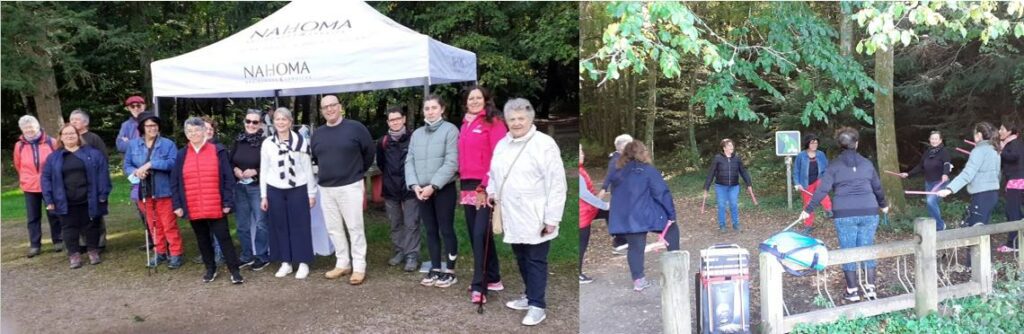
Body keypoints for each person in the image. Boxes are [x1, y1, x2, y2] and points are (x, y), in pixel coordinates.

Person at [487, 98, 566, 326]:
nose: (517, 123)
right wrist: (492, 192)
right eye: (512, 119)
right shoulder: (502, 144)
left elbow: (557, 184)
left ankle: (537, 305)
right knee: (520, 256)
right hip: (511, 213)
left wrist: (552, 218)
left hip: (536, 214)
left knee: (535, 259)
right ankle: (529, 294)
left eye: (521, 118)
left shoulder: (544, 144)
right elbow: (494, 174)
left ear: (530, 119)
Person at [801, 127, 888, 302]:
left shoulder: (834, 166)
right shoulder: (867, 164)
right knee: (867, 247)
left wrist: (808, 209)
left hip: (844, 214)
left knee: (848, 250)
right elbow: (877, 188)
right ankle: (870, 289)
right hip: (869, 212)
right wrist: (883, 205)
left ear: (840, 145)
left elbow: (822, 189)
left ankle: (853, 291)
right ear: (857, 143)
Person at [170, 117, 244, 284]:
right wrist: (177, 205)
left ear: (204, 131)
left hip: (216, 206)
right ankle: (210, 269)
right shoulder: (182, 155)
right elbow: (174, 182)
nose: (193, 134)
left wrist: (227, 202)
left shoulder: (218, 151)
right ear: (186, 134)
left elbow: (228, 179)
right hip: (193, 205)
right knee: (202, 240)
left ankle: (235, 270)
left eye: (196, 130)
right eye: (189, 131)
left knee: (224, 238)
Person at [310, 95, 375, 285]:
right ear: (322, 111)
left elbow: (369, 153)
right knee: (334, 229)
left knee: (355, 228)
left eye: (333, 105)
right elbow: (315, 158)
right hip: (326, 188)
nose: (329, 110)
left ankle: (359, 266)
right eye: (325, 107)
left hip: (350, 186)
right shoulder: (318, 134)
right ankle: (343, 263)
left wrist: (357, 172)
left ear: (340, 107)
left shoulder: (356, 128)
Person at [607, 140, 679, 292]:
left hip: (627, 217)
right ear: (643, 153)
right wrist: (671, 214)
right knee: (672, 230)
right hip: (645, 213)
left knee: (635, 248)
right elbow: (661, 193)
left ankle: (638, 280)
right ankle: (676, 268)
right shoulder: (647, 171)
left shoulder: (617, 172)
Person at [458, 86, 507, 303]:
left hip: (485, 185)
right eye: (471, 98)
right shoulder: (465, 123)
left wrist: (486, 185)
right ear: (466, 102)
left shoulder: (493, 122)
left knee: (480, 235)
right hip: (467, 184)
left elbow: (499, 155)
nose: (475, 101)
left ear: (486, 100)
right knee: (477, 233)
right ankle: (493, 277)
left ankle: (480, 285)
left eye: (479, 97)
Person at [407, 94, 460, 288]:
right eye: (427, 108)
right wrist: (414, 185)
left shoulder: (450, 130)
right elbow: (409, 161)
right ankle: (436, 267)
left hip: (443, 189)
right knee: (430, 230)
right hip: (421, 191)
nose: (430, 111)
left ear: (442, 109)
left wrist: (434, 185)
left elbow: (452, 161)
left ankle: (450, 270)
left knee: (446, 229)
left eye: (434, 108)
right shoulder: (417, 134)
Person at [41, 124, 111, 268]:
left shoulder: (93, 153)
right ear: (61, 137)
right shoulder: (53, 157)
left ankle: (93, 251)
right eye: (65, 134)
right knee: (68, 227)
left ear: (78, 136)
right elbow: (46, 178)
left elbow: (103, 174)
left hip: (89, 198)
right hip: (64, 199)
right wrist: (49, 199)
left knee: (92, 225)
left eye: (72, 133)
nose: (69, 136)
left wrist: (103, 193)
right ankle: (74, 254)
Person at [260, 107, 317, 279]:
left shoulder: (301, 141)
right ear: (273, 122)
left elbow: (307, 168)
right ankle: (286, 262)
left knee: (300, 225)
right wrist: (264, 195)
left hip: (297, 188)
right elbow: (264, 170)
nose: (280, 122)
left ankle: (303, 262)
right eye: (277, 119)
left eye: (284, 119)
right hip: (274, 189)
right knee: (279, 225)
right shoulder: (267, 143)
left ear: (291, 122)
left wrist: (311, 193)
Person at [124, 113, 184, 269]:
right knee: (153, 224)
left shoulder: (168, 144)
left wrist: (151, 164)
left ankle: (176, 253)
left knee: (168, 224)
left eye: (155, 125)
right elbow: (127, 166)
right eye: (149, 126)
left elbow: (173, 164)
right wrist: (137, 171)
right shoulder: (133, 145)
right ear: (142, 128)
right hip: (143, 191)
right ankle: (160, 252)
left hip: (164, 191)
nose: (152, 128)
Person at [376, 107, 420, 272]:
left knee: (411, 223)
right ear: (388, 122)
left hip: (410, 188)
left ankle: (411, 255)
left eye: (397, 119)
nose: (395, 122)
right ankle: (399, 251)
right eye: (391, 120)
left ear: (403, 119)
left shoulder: (414, 138)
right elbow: (381, 164)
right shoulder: (383, 142)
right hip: (390, 188)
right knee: (395, 223)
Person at [14, 115, 62, 257]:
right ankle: (35, 245)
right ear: (22, 130)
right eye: (25, 128)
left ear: (38, 126)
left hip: (49, 184)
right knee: (33, 217)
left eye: (31, 127)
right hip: (29, 186)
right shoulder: (19, 145)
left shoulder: (51, 142)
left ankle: (58, 240)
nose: (29, 130)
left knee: (53, 213)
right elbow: (18, 164)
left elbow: (57, 161)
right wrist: (26, 178)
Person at [231, 109, 271, 270]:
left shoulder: (266, 142)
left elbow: (272, 164)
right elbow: (230, 160)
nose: (251, 125)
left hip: (257, 188)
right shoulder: (238, 140)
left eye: (255, 122)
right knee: (242, 224)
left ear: (260, 124)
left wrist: (256, 171)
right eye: (248, 121)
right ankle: (246, 255)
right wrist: (235, 170)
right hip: (240, 187)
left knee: (261, 223)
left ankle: (262, 255)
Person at [116, 95, 153, 251]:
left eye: (139, 105)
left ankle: (163, 239)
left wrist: (130, 143)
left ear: (144, 105)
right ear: (128, 108)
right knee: (142, 206)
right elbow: (119, 145)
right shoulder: (126, 125)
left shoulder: (152, 120)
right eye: (132, 106)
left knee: (156, 206)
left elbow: (153, 142)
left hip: (152, 168)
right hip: (135, 171)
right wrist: (135, 144)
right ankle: (151, 238)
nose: (136, 108)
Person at [69, 108, 108, 251]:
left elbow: (103, 159)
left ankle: (100, 241)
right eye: (71, 119)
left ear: (85, 122)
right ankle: (83, 242)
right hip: (76, 185)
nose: (73, 122)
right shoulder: (69, 139)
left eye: (76, 119)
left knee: (96, 213)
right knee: (78, 214)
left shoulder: (93, 138)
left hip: (94, 183)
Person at [897, 131, 952, 230]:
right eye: (932, 139)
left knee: (931, 201)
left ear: (940, 140)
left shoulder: (944, 152)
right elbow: (920, 166)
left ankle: (940, 225)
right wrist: (908, 173)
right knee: (931, 203)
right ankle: (935, 226)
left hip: (940, 182)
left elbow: (947, 164)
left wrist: (945, 174)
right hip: (929, 182)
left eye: (936, 139)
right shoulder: (928, 152)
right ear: (929, 140)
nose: (934, 141)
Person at [704, 138, 753, 233]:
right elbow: (711, 173)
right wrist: (706, 187)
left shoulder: (737, 158)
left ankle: (736, 224)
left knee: (734, 204)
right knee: (721, 205)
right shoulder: (718, 158)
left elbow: (743, 171)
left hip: (734, 186)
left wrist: (749, 184)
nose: (732, 147)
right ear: (724, 148)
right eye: (729, 146)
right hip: (721, 186)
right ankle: (722, 225)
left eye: (732, 145)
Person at [578, 145, 610, 284]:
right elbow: (584, 194)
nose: (583, 154)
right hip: (581, 215)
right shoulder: (577, 172)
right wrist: (603, 204)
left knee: (610, 211)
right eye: (580, 152)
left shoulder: (580, 169)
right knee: (581, 245)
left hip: (588, 210)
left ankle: (619, 241)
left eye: (582, 151)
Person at [597, 134, 632, 254]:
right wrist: (603, 189)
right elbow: (610, 175)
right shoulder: (615, 160)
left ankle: (624, 243)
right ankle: (619, 244)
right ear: (622, 146)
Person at [793, 134, 832, 229]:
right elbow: (796, 170)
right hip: (806, 184)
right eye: (812, 143)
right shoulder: (801, 156)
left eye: (816, 143)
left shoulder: (821, 154)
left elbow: (827, 168)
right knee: (808, 204)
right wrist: (797, 183)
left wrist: (826, 179)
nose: (814, 145)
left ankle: (829, 210)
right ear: (807, 144)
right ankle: (808, 226)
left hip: (819, 179)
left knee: (822, 192)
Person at [997, 118, 1022, 253]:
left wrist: (1001, 151)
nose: (999, 131)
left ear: (1009, 131)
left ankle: (1013, 245)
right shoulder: (1009, 143)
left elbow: (1014, 156)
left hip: (1017, 181)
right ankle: (1017, 241)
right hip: (1014, 181)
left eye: (1002, 129)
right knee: (1015, 212)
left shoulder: (1014, 143)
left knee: (1012, 212)